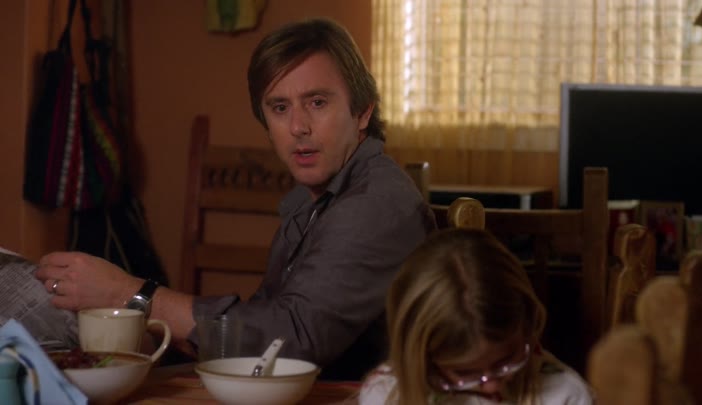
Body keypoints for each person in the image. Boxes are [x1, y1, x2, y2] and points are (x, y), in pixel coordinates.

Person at [34, 18, 436, 380]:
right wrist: (145, 338)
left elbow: (290, 341)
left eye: (317, 102)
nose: (298, 126)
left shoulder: (374, 205)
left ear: (362, 112)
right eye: (280, 107)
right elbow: (257, 332)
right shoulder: (312, 201)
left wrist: (130, 295)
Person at [359, 228, 593, 404]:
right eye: (464, 373)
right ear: (422, 358)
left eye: (506, 361)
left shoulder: (565, 395)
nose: (491, 387)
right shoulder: (385, 395)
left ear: (527, 325)